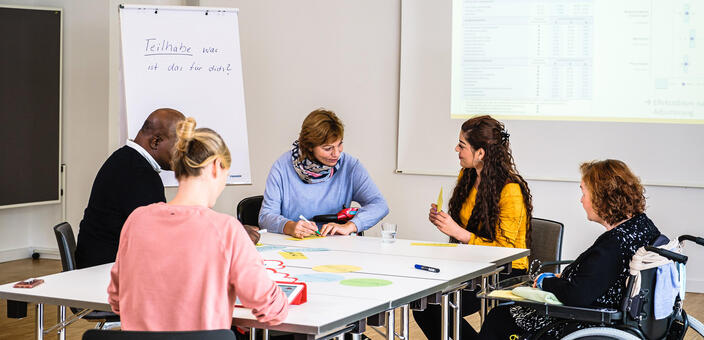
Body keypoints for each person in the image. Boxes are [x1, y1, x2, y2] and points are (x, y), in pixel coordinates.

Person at [107, 118, 288, 331]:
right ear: (215, 167)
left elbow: (117, 300)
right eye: (225, 176)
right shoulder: (226, 229)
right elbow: (271, 309)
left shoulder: (137, 220)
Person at [477, 159, 661, 340]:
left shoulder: (614, 245)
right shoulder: (642, 226)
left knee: (498, 318)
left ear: (601, 196)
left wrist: (544, 282)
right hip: (618, 315)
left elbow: (576, 296)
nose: (581, 200)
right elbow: (596, 278)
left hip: (587, 321)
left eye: (584, 192)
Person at [413, 115, 533, 340]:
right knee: (424, 303)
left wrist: (457, 232)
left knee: (434, 307)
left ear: (481, 153)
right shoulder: (468, 175)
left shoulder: (510, 190)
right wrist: (444, 222)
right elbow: (467, 227)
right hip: (472, 265)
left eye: (462, 145)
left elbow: (503, 251)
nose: (456, 149)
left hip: (506, 272)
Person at [75, 108, 185, 268]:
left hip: (99, 264)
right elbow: (158, 237)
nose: (183, 154)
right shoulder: (140, 174)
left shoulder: (123, 158)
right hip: (106, 272)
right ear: (156, 142)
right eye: (180, 146)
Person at [259, 109, 388, 238]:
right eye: (328, 148)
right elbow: (265, 217)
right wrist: (289, 226)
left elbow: (380, 205)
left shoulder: (350, 166)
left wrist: (350, 225)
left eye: (339, 144)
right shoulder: (282, 167)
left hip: (336, 247)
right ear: (309, 146)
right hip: (295, 246)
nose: (336, 153)